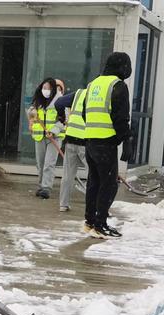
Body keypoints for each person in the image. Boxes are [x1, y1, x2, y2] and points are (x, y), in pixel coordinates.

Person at [83, 52, 133, 238]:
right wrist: (126, 139)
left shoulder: (93, 84)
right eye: (127, 66)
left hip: (90, 143)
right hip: (106, 144)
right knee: (109, 185)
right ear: (121, 67)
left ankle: (90, 221)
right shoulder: (118, 86)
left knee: (94, 183)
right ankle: (100, 224)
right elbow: (120, 118)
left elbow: (84, 114)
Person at [28, 77, 65, 199]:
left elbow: (64, 121)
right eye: (44, 88)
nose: (46, 90)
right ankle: (41, 186)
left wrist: (53, 131)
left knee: (49, 164)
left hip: (54, 138)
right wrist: (31, 114)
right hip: (40, 136)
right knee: (41, 163)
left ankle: (46, 188)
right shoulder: (38, 101)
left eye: (48, 88)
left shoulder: (60, 102)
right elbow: (31, 114)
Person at [55, 88, 88, 212]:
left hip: (71, 138)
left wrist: (62, 117)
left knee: (68, 174)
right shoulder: (97, 98)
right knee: (93, 174)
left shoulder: (78, 93)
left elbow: (59, 103)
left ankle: (63, 204)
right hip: (86, 141)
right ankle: (93, 205)